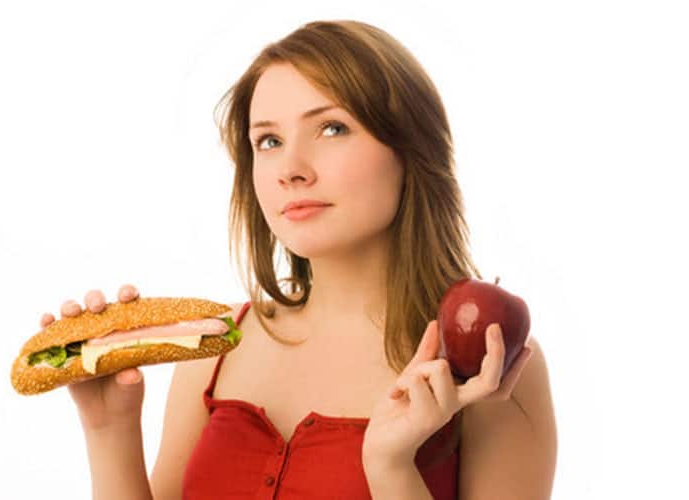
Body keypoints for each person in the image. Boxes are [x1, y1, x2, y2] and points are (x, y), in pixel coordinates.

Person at [42, 19, 557, 500]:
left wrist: (392, 466)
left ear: (411, 146)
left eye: (332, 128)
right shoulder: (212, 353)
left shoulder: (488, 363)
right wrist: (108, 427)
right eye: (268, 140)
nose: (290, 169)